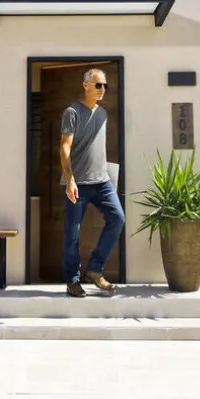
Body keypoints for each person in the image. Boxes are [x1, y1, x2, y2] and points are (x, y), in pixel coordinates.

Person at [59, 68, 125, 297]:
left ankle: (95, 269)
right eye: (98, 85)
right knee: (72, 233)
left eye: (105, 85)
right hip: (78, 183)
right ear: (85, 85)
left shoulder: (103, 113)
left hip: (102, 181)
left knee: (117, 219)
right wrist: (70, 180)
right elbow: (64, 147)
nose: (102, 89)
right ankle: (72, 280)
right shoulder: (72, 112)